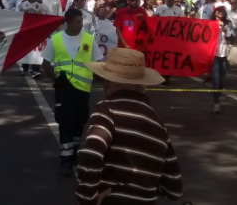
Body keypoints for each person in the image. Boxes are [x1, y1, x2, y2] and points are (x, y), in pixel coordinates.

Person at [75, 48, 181, 204]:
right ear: (142, 84)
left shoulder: (107, 111)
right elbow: (174, 189)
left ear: (108, 82)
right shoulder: (157, 124)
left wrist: (87, 198)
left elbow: (92, 153)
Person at [42, 8, 104, 177]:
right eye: (77, 22)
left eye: (81, 21)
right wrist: (56, 79)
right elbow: (46, 63)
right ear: (68, 22)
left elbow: (98, 62)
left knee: (80, 122)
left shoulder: (88, 39)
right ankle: (66, 160)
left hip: (83, 89)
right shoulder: (56, 39)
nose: (81, 25)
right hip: (64, 89)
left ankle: (74, 150)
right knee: (65, 122)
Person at [211, 6, 235, 113]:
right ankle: (216, 102)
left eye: (222, 11)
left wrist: (225, 29)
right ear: (215, 12)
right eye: (218, 11)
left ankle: (218, 96)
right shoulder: (210, 22)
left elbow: (232, 37)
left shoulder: (228, 23)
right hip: (213, 54)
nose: (221, 13)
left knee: (222, 79)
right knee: (216, 79)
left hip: (224, 53)